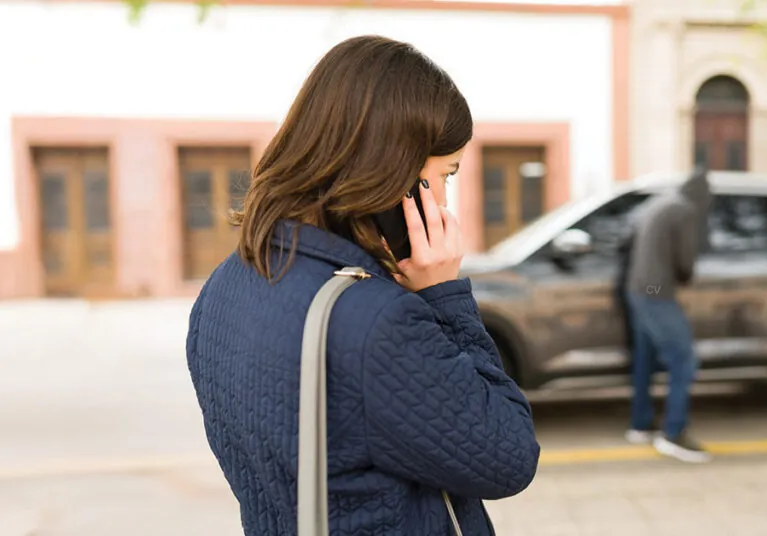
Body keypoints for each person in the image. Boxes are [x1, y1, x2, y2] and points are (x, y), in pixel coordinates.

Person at [185, 35, 541, 535]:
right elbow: (509, 456)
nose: (443, 202)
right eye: (446, 175)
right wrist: (444, 297)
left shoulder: (225, 286)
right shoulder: (374, 322)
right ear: (395, 173)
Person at [621, 168, 712, 463]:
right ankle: (673, 434)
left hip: (637, 287)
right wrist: (684, 279)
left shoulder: (662, 203)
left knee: (645, 361)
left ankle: (641, 424)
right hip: (656, 291)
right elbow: (685, 261)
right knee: (684, 360)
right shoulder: (685, 211)